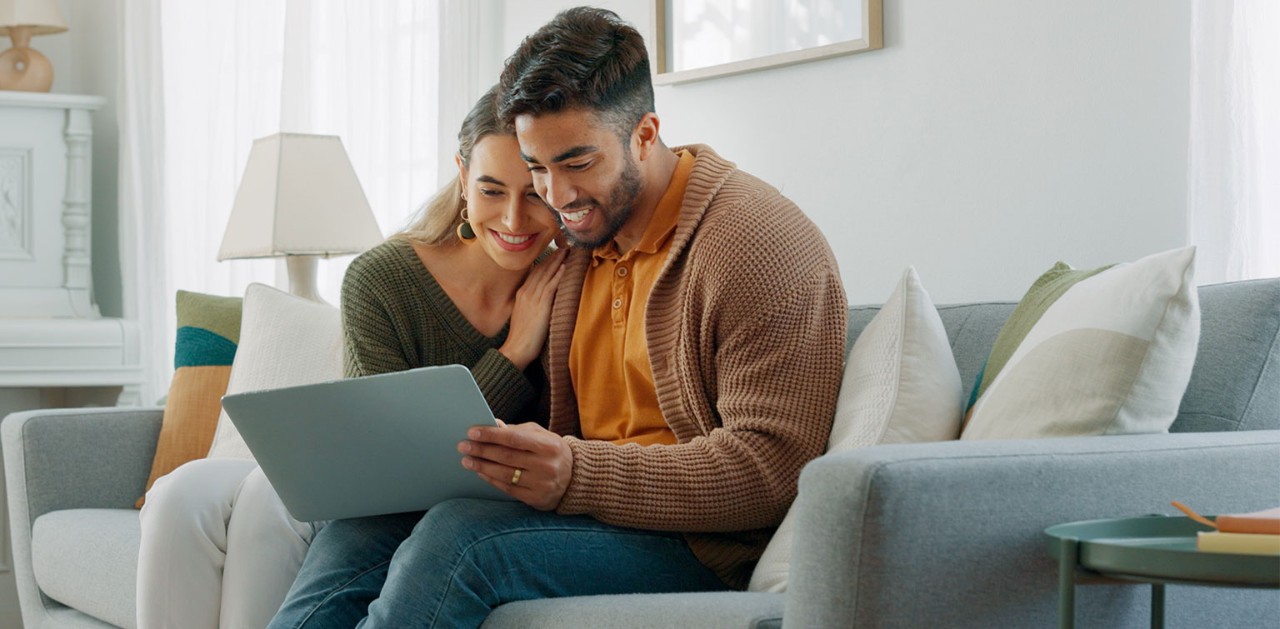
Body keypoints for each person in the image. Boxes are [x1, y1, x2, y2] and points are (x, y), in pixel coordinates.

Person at [270, 7, 847, 628]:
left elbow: (773, 469)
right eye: (537, 167)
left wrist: (577, 472)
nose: (555, 196)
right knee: (358, 532)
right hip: (585, 513)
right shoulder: (581, 242)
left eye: (576, 163)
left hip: (697, 542)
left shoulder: (756, 244)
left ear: (646, 134)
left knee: (459, 539)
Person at [136, 86, 564, 629]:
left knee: (269, 506)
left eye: (534, 194)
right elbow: (390, 463)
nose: (514, 218)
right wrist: (514, 352)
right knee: (180, 494)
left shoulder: (568, 285)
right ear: (462, 176)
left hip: (473, 505)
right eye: (491, 189)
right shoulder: (383, 278)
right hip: (376, 492)